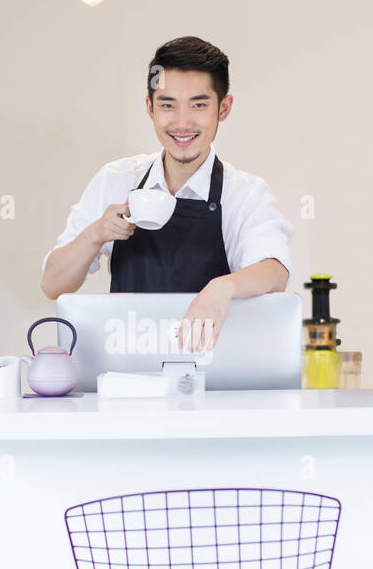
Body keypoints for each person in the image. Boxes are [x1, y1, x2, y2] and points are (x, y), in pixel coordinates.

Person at [40, 36, 292, 351]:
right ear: (150, 108)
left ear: (223, 109)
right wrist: (96, 234)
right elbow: (53, 284)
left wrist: (221, 288)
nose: (182, 122)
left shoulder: (244, 193)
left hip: (214, 374)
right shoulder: (118, 179)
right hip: (129, 373)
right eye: (167, 105)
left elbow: (274, 272)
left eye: (199, 105)